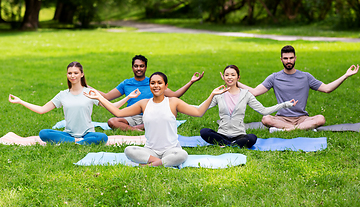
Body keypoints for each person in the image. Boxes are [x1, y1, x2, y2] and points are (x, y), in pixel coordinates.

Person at [84, 72, 229, 167]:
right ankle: (159, 163)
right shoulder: (144, 104)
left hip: (172, 149)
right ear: (150, 86)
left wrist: (212, 94)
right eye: (153, 83)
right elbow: (118, 112)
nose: (156, 85)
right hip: (150, 150)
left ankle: (150, 166)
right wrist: (98, 97)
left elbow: (198, 112)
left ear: (165, 86)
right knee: (129, 150)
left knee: (182, 154)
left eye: (159, 83)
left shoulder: (173, 102)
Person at [8, 61, 139, 145]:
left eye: (76, 73)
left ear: (82, 74)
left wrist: (128, 97)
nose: (72, 76)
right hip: (68, 133)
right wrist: (20, 101)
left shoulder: (91, 93)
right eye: (70, 73)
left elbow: (114, 108)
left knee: (102, 137)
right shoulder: (62, 95)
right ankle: (77, 142)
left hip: (88, 133)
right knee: (43, 133)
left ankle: (75, 142)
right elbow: (42, 109)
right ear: (67, 75)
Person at [237, 45, 359, 132]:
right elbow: (254, 92)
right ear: (281, 60)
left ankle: (286, 130)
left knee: (321, 119)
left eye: (291, 58)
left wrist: (346, 75)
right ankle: (295, 129)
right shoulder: (274, 77)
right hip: (282, 118)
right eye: (285, 58)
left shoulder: (306, 77)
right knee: (266, 119)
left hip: (302, 118)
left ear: (295, 58)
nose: (288, 61)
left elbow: (327, 89)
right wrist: (235, 82)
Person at [95, 55, 204, 131]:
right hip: (131, 117)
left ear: (146, 67)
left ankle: (133, 130)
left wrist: (191, 82)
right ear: (132, 67)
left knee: (163, 120)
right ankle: (137, 130)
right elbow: (107, 97)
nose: (139, 68)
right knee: (112, 122)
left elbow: (175, 95)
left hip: (151, 116)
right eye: (136, 66)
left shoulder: (153, 83)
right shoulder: (126, 83)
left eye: (141, 66)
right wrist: (85, 86)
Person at [201, 65, 297, 148]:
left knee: (252, 138)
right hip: (222, 134)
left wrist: (284, 104)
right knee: (204, 132)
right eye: (227, 75)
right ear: (223, 77)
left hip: (239, 135)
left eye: (233, 75)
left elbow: (264, 111)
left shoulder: (246, 94)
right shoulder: (218, 94)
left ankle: (227, 144)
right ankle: (231, 144)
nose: (229, 77)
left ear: (238, 78)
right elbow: (200, 108)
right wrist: (185, 107)